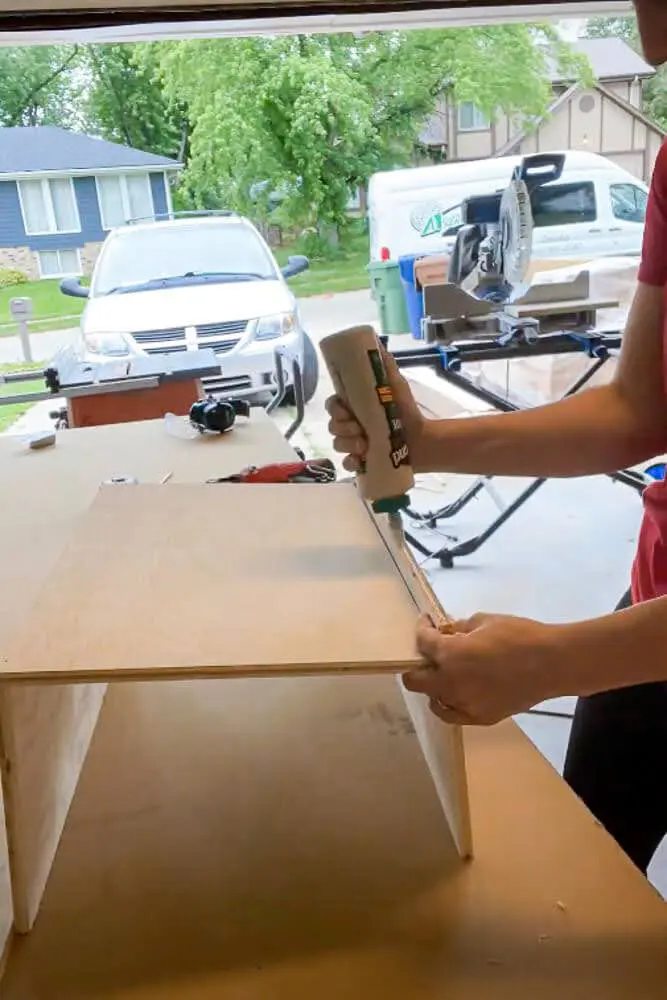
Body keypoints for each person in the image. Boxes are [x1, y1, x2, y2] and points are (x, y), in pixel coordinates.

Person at [326, 0, 667, 876]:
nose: (642, 29)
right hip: (650, 619)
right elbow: (638, 407)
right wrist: (428, 440)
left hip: (624, 646)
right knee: (588, 878)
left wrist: (557, 657)